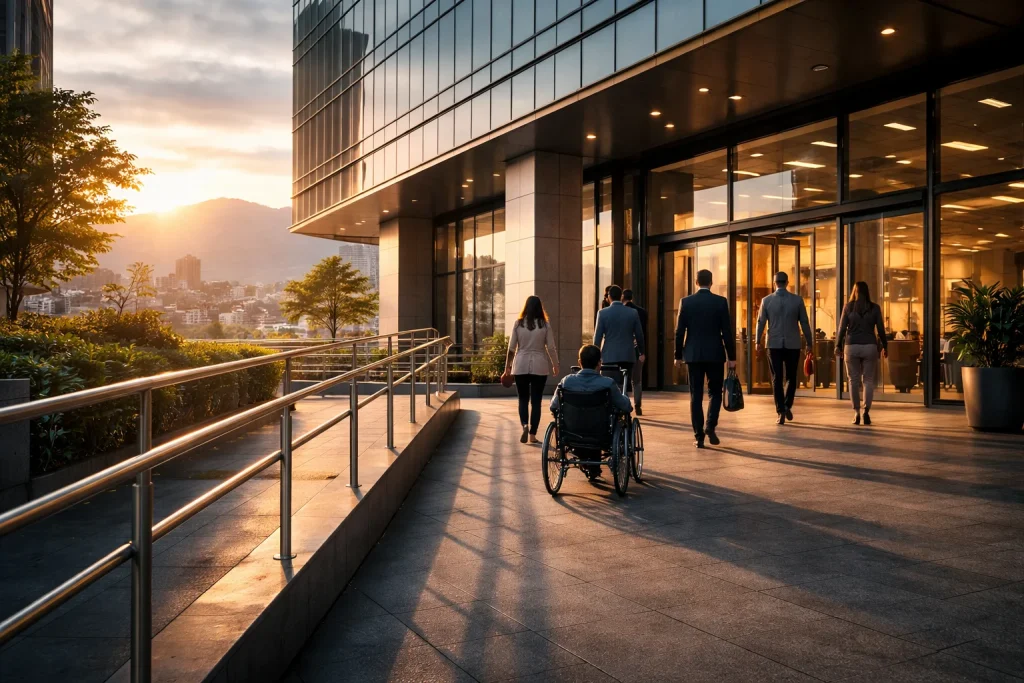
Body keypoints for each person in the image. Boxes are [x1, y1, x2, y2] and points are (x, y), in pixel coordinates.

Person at [674, 269, 736, 448]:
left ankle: (699, 436)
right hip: (716, 354)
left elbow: (680, 332)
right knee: (715, 393)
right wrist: (732, 357)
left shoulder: (686, 302)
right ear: (711, 282)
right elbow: (727, 332)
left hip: (693, 355)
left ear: (696, 282)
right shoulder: (720, 302)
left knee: (696, 395)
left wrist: (678, 355)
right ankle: (710, 425)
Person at [550, 344, 632, 478]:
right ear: (599, 363)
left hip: (572, 433)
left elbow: (553, 406)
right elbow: (625, 406)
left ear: (579, 363)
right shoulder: (608, 384)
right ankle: (594, 464)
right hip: (601, 433)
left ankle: (587, 461)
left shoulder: (566, 382)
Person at [755, 271, 813, 425]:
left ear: (775, 283)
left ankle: (780, 410)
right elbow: (805, 323)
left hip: (773, 344)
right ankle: (787, 405)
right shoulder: (797, 300)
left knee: (776, 378)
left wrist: (757, 342)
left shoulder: (766, 301)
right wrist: (809, 342)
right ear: (787, 283)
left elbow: (760, 322)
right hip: (793, 344)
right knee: (792, 377)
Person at [503, 295, 559, 444]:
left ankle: (525, 425)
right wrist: (555, 364)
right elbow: (551, 347)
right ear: (540, 308)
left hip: (520, 364)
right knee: (536, 401)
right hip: (539, 366)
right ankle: (533, 435)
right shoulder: (545, 325)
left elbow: (511, 349)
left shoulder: (518, 324)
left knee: (522, 399)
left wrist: (507, 368)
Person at [836, 281, 888, 425]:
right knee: (868, 380)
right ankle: (866, 412)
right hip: (870, 346)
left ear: (854, 291)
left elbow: (841, 328)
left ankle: (856, 413)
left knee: (853, 380)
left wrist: (838, 345)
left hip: (851, 346)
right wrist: (885, 345)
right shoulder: (875, 308)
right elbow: (881, 329)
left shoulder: (848, 307)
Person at [593, 285, 645, 405]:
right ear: (621, 296)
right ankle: (624, 405)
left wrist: (595, 356)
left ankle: (613, 409)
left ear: (609, 297)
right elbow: (639, 335)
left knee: (610, 384)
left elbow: (598, 337)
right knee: (624, 384)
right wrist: (642, 352)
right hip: (628, 355)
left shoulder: (602, 313)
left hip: (609, 356)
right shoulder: (632, 312)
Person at [622, 288, 648, 415]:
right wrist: (642, 352)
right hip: (637, 350)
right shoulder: (642, 312)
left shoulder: (622, 312)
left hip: (623, 350)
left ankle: (625, 405)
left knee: (623, 380)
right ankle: (638, 406)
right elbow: (642, 334)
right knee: (637, 380)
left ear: (623, 297)